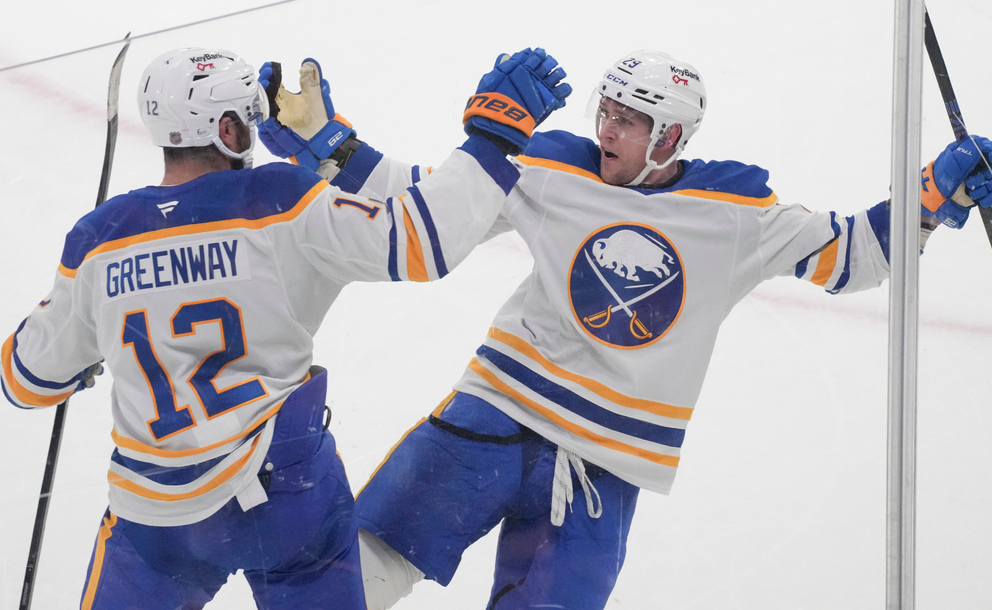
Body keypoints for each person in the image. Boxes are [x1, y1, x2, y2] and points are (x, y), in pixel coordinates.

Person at [256, 49, 992, 609]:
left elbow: (854, 255)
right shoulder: (554, 165)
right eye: (605, 111)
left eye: (629, 119)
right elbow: (432, 201)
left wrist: (932, 194)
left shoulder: (735, 212)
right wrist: (334, 145)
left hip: (604, 466)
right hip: (493, 418)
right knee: (359, 570)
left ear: (671, 136)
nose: (607, 129)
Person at [1, 45, 569, 609]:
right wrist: (493, 138)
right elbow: (419, 240)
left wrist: (93, 339)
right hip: (285, 499)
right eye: (249, 115)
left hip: (156, 520)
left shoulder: (100, 238)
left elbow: (25, 380)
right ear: (227, 129)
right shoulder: (279, 200)